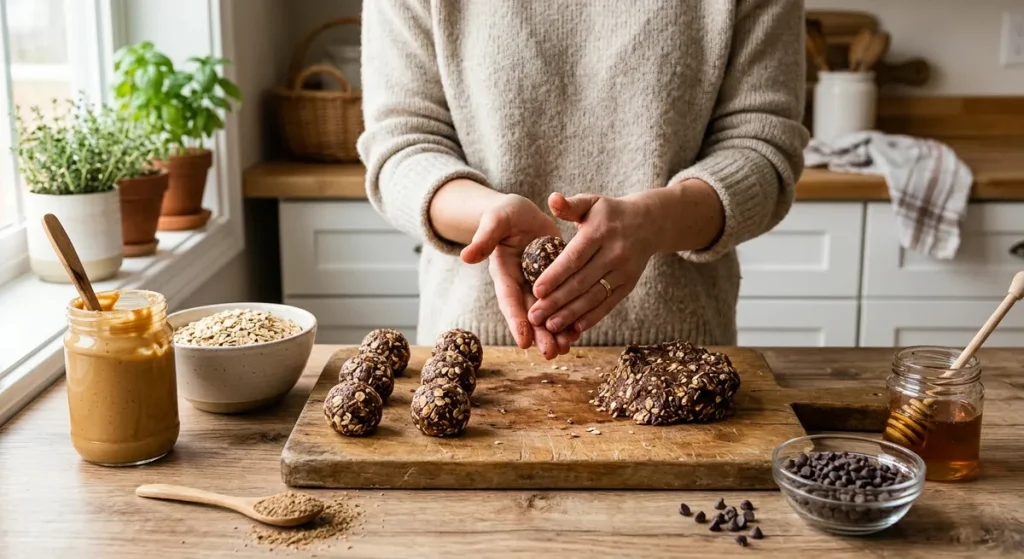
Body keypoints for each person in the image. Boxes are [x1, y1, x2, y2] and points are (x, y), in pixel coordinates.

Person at [357, 1, 809, 360]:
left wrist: (654, 223)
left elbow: (763, 151)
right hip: (475, 359)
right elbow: (401, 146)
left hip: (683, 356)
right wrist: (487, 218)